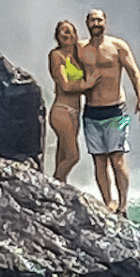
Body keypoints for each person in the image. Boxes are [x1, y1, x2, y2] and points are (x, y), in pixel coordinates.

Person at [77, 8, 140, 215]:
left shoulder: (117, 46)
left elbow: (134, 74)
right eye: (92, 20)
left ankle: (123, 204)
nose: (96, 23)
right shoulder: (79, 48)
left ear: (105, 22)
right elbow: (66, 69)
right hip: (91, 111)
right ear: (87, 23)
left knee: (117, 159)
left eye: (99, 19)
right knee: (99, 160)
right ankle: (108, 203)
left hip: (117, 110)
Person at [46, 19, 94, 182]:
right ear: (57, 36)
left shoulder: (78, 57)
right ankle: (54, 184)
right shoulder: (56, 55)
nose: (66, 34)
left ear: (75, 35)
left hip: (75, 113)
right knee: (73, 156)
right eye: (62, 31)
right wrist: (88, 84)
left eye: (69, 31)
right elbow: (65, 85)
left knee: (63, 155)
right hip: (62, 111)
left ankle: (59, 188)